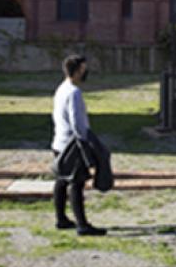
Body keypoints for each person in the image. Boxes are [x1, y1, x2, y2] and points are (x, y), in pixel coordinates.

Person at [51, 54, 106, 236]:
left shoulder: (61, 88)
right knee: (77, 183)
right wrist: (86, 144)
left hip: (59, 142)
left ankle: (61, 218)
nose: (85, 73)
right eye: (83, 69)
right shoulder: (74, 92)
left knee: (61, 180)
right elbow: (78, 123)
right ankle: (82, 224)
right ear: (76, 71)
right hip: (73, 144)